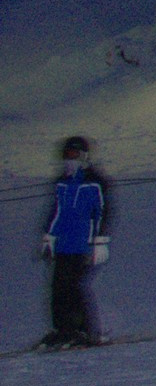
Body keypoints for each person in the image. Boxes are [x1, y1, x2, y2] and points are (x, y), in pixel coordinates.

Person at [36, 136, 114, 349]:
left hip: (83, 245)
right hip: (64, 244)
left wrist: (100, 240)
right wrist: (49, 236)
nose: (69, 160)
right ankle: (62, 330)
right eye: (66, 156)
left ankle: (84, 331)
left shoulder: (94, 181)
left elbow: (102, 211)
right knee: (58, 288)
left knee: (76, 287)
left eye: (74, 155)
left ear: (84, 156)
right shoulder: (63, 182)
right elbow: (57, 211)